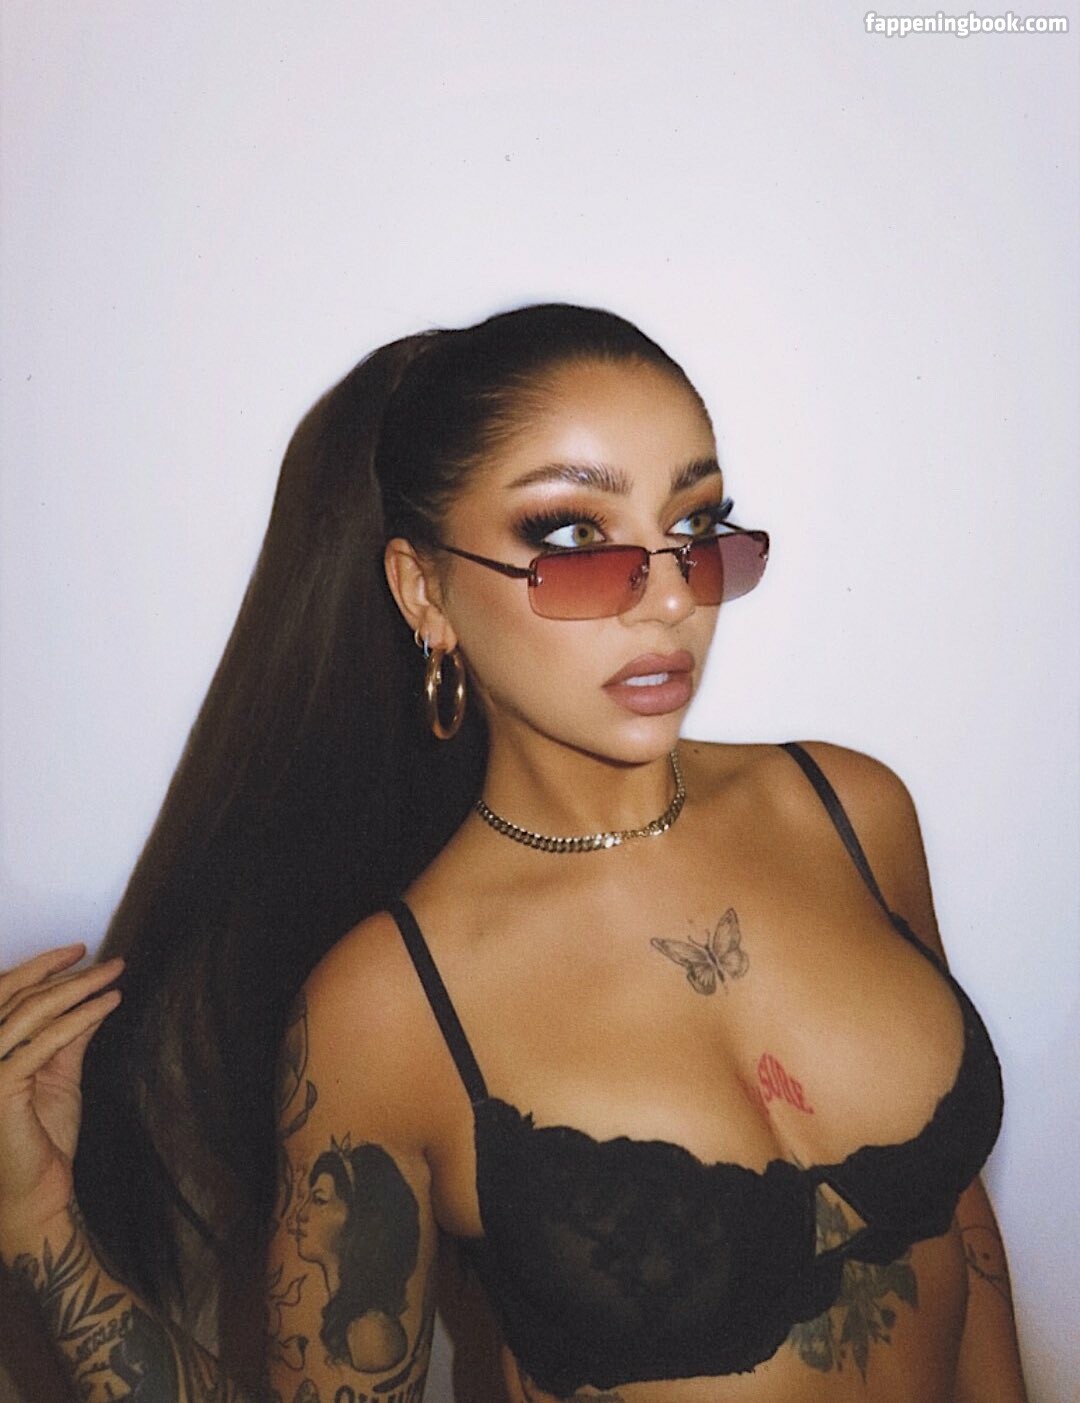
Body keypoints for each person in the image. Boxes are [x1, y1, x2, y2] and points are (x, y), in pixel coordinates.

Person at [0, 304, 1026, 1403]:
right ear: (425, 591)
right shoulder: (386, 1010)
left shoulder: (851, 812)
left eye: (694, 523)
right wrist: (39, 1224)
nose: (672, 595)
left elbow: (960, 1214)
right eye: (574, 539)